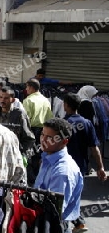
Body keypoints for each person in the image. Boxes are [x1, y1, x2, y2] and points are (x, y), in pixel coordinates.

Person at [63, 92, 106, 233]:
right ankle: (78, 223)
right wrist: (100, 167)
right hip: (80, 167)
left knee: (64, 196)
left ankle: (70, 225)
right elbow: (94, 148)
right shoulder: (86, 123)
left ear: (66, 105)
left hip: (64, 167)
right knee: (74, 195)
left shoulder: (63, 124)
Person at [34, 118, 84, 232]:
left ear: (64, 141)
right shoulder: (47, 158)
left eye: (50, 138)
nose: (43, 140)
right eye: (42, 134)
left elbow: (54, 213)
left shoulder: (63, 172)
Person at [0, 86, 35, 156]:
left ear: (12, 100)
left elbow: (29, 138)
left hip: (13, 153)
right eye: (0, 97)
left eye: (6, 98)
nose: (2, 100)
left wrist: (23, 156)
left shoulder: (19, 114)